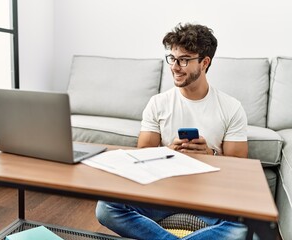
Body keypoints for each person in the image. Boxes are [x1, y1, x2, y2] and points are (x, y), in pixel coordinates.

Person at [95, 23, 249, 239]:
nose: (175, 66)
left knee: (244, 226)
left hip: (211, 198)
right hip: (163, 194)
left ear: (205, 62)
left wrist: (212, 156)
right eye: (172, 58)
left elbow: (241, 170)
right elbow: (142, 156)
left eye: (184, 59)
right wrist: (167, 151)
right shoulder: (158, 103)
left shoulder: (231, 107)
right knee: (106, 207)